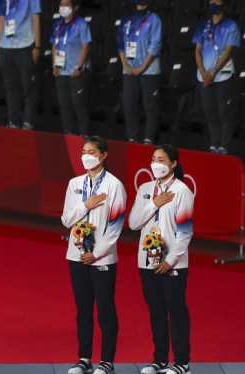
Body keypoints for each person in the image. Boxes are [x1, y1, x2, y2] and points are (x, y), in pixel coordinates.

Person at [61, 136, 126, 374]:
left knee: (106, 308)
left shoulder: (114, 185)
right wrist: (85, 206)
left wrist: (97, 253)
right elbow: (67, 219)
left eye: (92, 152)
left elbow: (116, 226)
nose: (87, 156)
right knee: (83, 309)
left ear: (104, 155)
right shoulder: (74, 183)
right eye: (84, 151)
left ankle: (106, 361)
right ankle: (84, 358)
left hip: (102, 258)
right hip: (76, 256)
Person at [129, 144, 194, 374]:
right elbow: (134, 223)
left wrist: (171, 260)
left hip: (172, 263)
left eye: (162, 160)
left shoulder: (182, 191)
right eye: (154, 159)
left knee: (175, 308)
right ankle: (159, 359)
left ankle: (182, 362)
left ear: (173, 164)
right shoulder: (146, 188)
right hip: (146, 261)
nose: (156, 164)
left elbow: (185, 232)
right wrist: (154, 204)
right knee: (156, 310)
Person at [193, 0, 240, 155]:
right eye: (211, 0)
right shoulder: (202, 25)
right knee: (210, 112)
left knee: (224, 112)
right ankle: (214, 143)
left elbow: (228, 52)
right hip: (203, 76)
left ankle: (224, 146)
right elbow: (197, 50)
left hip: (222, 76)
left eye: (217, 0)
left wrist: (212, 72)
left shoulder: (231, 26)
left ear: (224, 4)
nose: (213, 3)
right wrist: (203, 72)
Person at [117, 0, 163, 144]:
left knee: (150, 106)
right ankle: (132, 137)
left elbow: (156, 45)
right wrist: (126, 65)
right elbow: (120, 43)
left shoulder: (154, 18)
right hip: (129, 70)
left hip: (149, 71)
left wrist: (142, 67)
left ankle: (149, 138)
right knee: (129, 104)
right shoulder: (126, 18)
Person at [0, 0, 42, 130]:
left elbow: (36, 19)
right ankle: (13, 121)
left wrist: (37, 46)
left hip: (25, 45)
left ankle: (28, 121)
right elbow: (1, 20)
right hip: (5, 46)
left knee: (28, 86)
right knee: (11, 86)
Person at [51, 0, 92, 137]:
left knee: (78, 103)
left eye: (67, 5)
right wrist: (54, 65)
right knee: (64, 103)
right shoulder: (57, 25)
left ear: (75, 7)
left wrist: (79, 67)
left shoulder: (81, 24)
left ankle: (84, 134)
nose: (63, 8)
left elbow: (86, 46)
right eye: (61, 4)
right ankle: (68, 132)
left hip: (77, 71)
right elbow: (54, 45)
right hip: (62, 70)